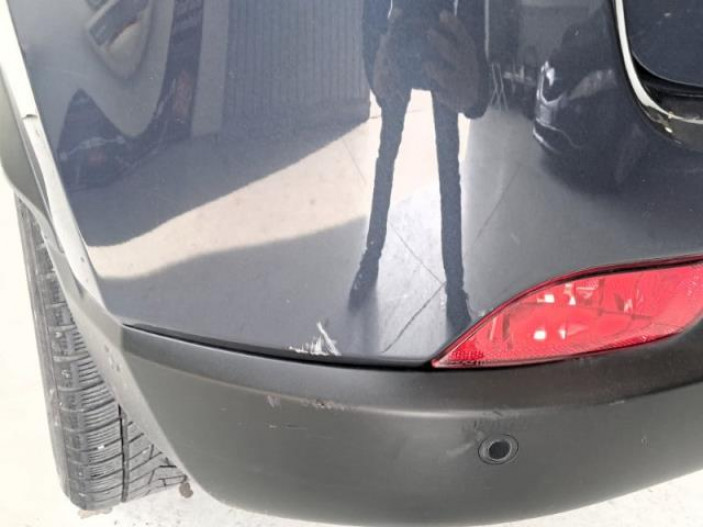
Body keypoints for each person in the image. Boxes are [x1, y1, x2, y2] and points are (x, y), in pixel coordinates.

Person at [351, 0, 490, 331]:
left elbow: (473, 11)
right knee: (390, 159)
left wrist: (475, 85)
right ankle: (373, 258)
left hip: (441, 47)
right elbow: (372, 9)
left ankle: (454, 286)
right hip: (406, 46)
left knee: (446, 171)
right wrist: (375, 67)